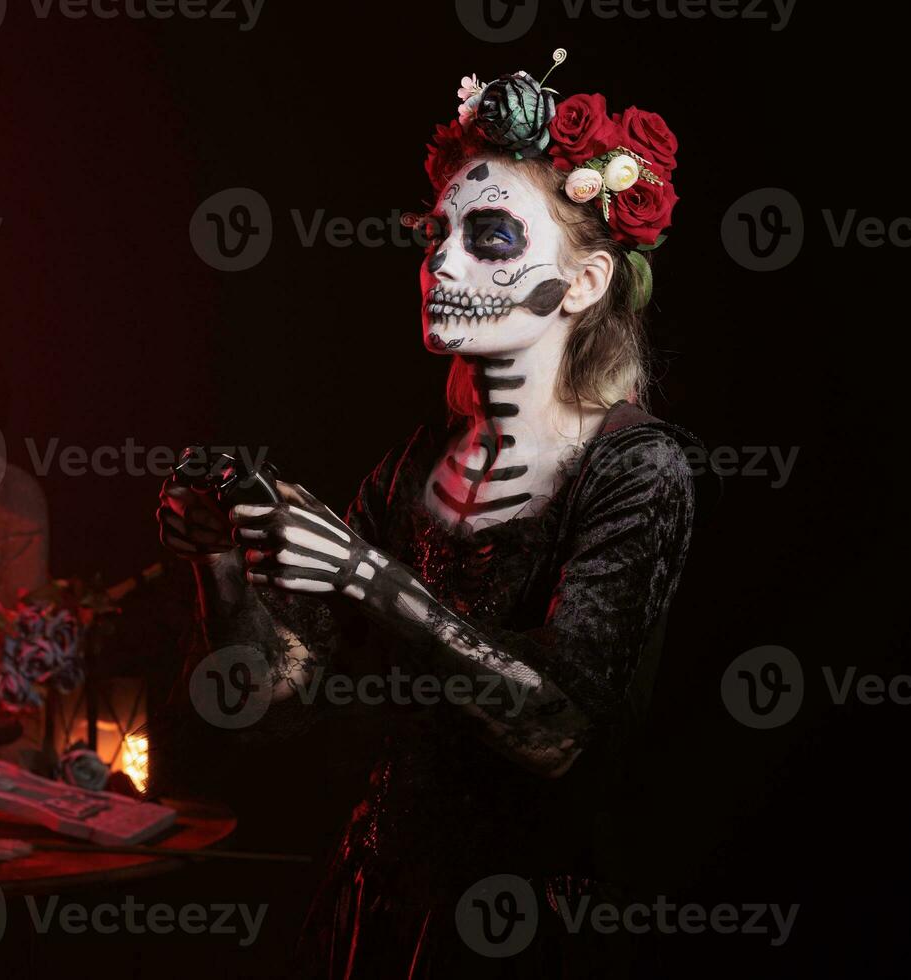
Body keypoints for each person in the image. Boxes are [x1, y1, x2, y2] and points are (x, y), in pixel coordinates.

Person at [157, 54, 708, 976]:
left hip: (521, 928)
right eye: (436, 233)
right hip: (378, 915)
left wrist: (363, 573)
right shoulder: (417, 462)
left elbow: (558, 731)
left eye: (489, 237)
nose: (441, 261)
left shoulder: (637, 467)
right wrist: (218, 564)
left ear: (583, 285)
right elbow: (266, 707)